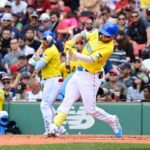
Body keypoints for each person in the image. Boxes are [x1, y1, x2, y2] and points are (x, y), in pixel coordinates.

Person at [49, 22, 122, 138]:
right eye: (103, 33)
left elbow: (90, 59)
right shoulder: (97, 34)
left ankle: (112, 120)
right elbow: (82, 35)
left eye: (107, 35)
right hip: (78, 73)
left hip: (91, 76)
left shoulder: (108, 48)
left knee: (90, 110)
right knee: (67, 101)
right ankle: (54, 127)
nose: (104, 36)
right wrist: (72, 41)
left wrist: (74, 54)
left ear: (113, 37)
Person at [29, 30, 65, 135]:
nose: (45, 42)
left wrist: (39, 53)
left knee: (44, 105)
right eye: (44, 40)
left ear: (51, 40)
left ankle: (50, 129)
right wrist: (38, 53)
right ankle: (60, 128)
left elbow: (37, 66)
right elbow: (31, 62)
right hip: (51, 79)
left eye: (46, 40)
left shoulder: (50, 50)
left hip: (53, 79)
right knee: (49, 105)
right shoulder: (47, 49)